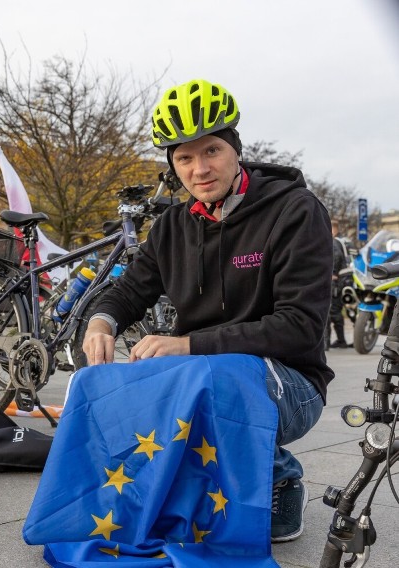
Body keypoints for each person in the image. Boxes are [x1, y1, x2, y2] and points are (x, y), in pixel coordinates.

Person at [82, 79, 333, 543]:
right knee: (120, 379)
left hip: (291, 384)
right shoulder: (172, 227)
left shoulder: (295, 211)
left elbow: (299, 327)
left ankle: (280, 477)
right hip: (203, 374)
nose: (200, 169)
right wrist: (102, 321)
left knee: (206, 376)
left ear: (236, 149)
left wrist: (187, 344)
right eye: (184, 158)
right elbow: (128, 291)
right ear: (173, 164)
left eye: (212, 151)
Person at [327, 219, 350, 348]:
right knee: (336, 310)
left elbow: (335, 257)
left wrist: (331, 273)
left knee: (332, 311)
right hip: (344, 280)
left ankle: (329, 342)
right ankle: (341, 340)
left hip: (335, 281)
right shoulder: (344, 241)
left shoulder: (334, 242)